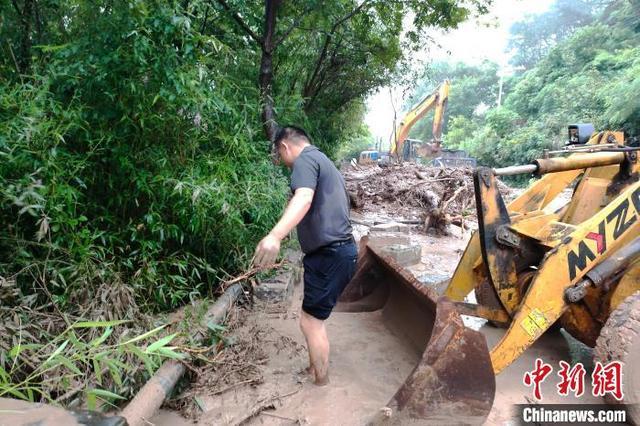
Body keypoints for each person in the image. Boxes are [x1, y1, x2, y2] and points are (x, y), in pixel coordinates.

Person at [253, 125, 357, 386]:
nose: (283, 163)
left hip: (329, 254)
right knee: (311, 318)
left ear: (285, 146)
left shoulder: (305, 159)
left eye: (280, 155)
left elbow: (304, 198)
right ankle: (314, 370)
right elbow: (307, 204)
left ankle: (321, 385)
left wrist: (275, 236)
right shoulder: (323, 161)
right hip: (336, 253)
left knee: (311, 322)